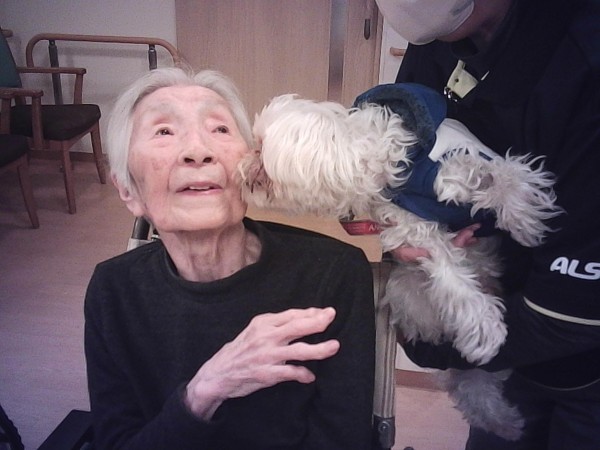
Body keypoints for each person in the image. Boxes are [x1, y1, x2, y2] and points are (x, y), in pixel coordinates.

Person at [84, 67, 376, 450]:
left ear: (250, 165)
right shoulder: (112, 291)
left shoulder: (334, 274)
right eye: (164, 131)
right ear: (128, 190)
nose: (198, 151)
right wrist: (205, 390)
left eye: (220, 128)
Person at [374, 0, 600, 448]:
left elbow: (572, 312)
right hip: (502, 343)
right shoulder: (437, 42)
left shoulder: (582, 57)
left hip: (576, 349)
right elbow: (404, 169)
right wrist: (402, 239)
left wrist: (437, 343)